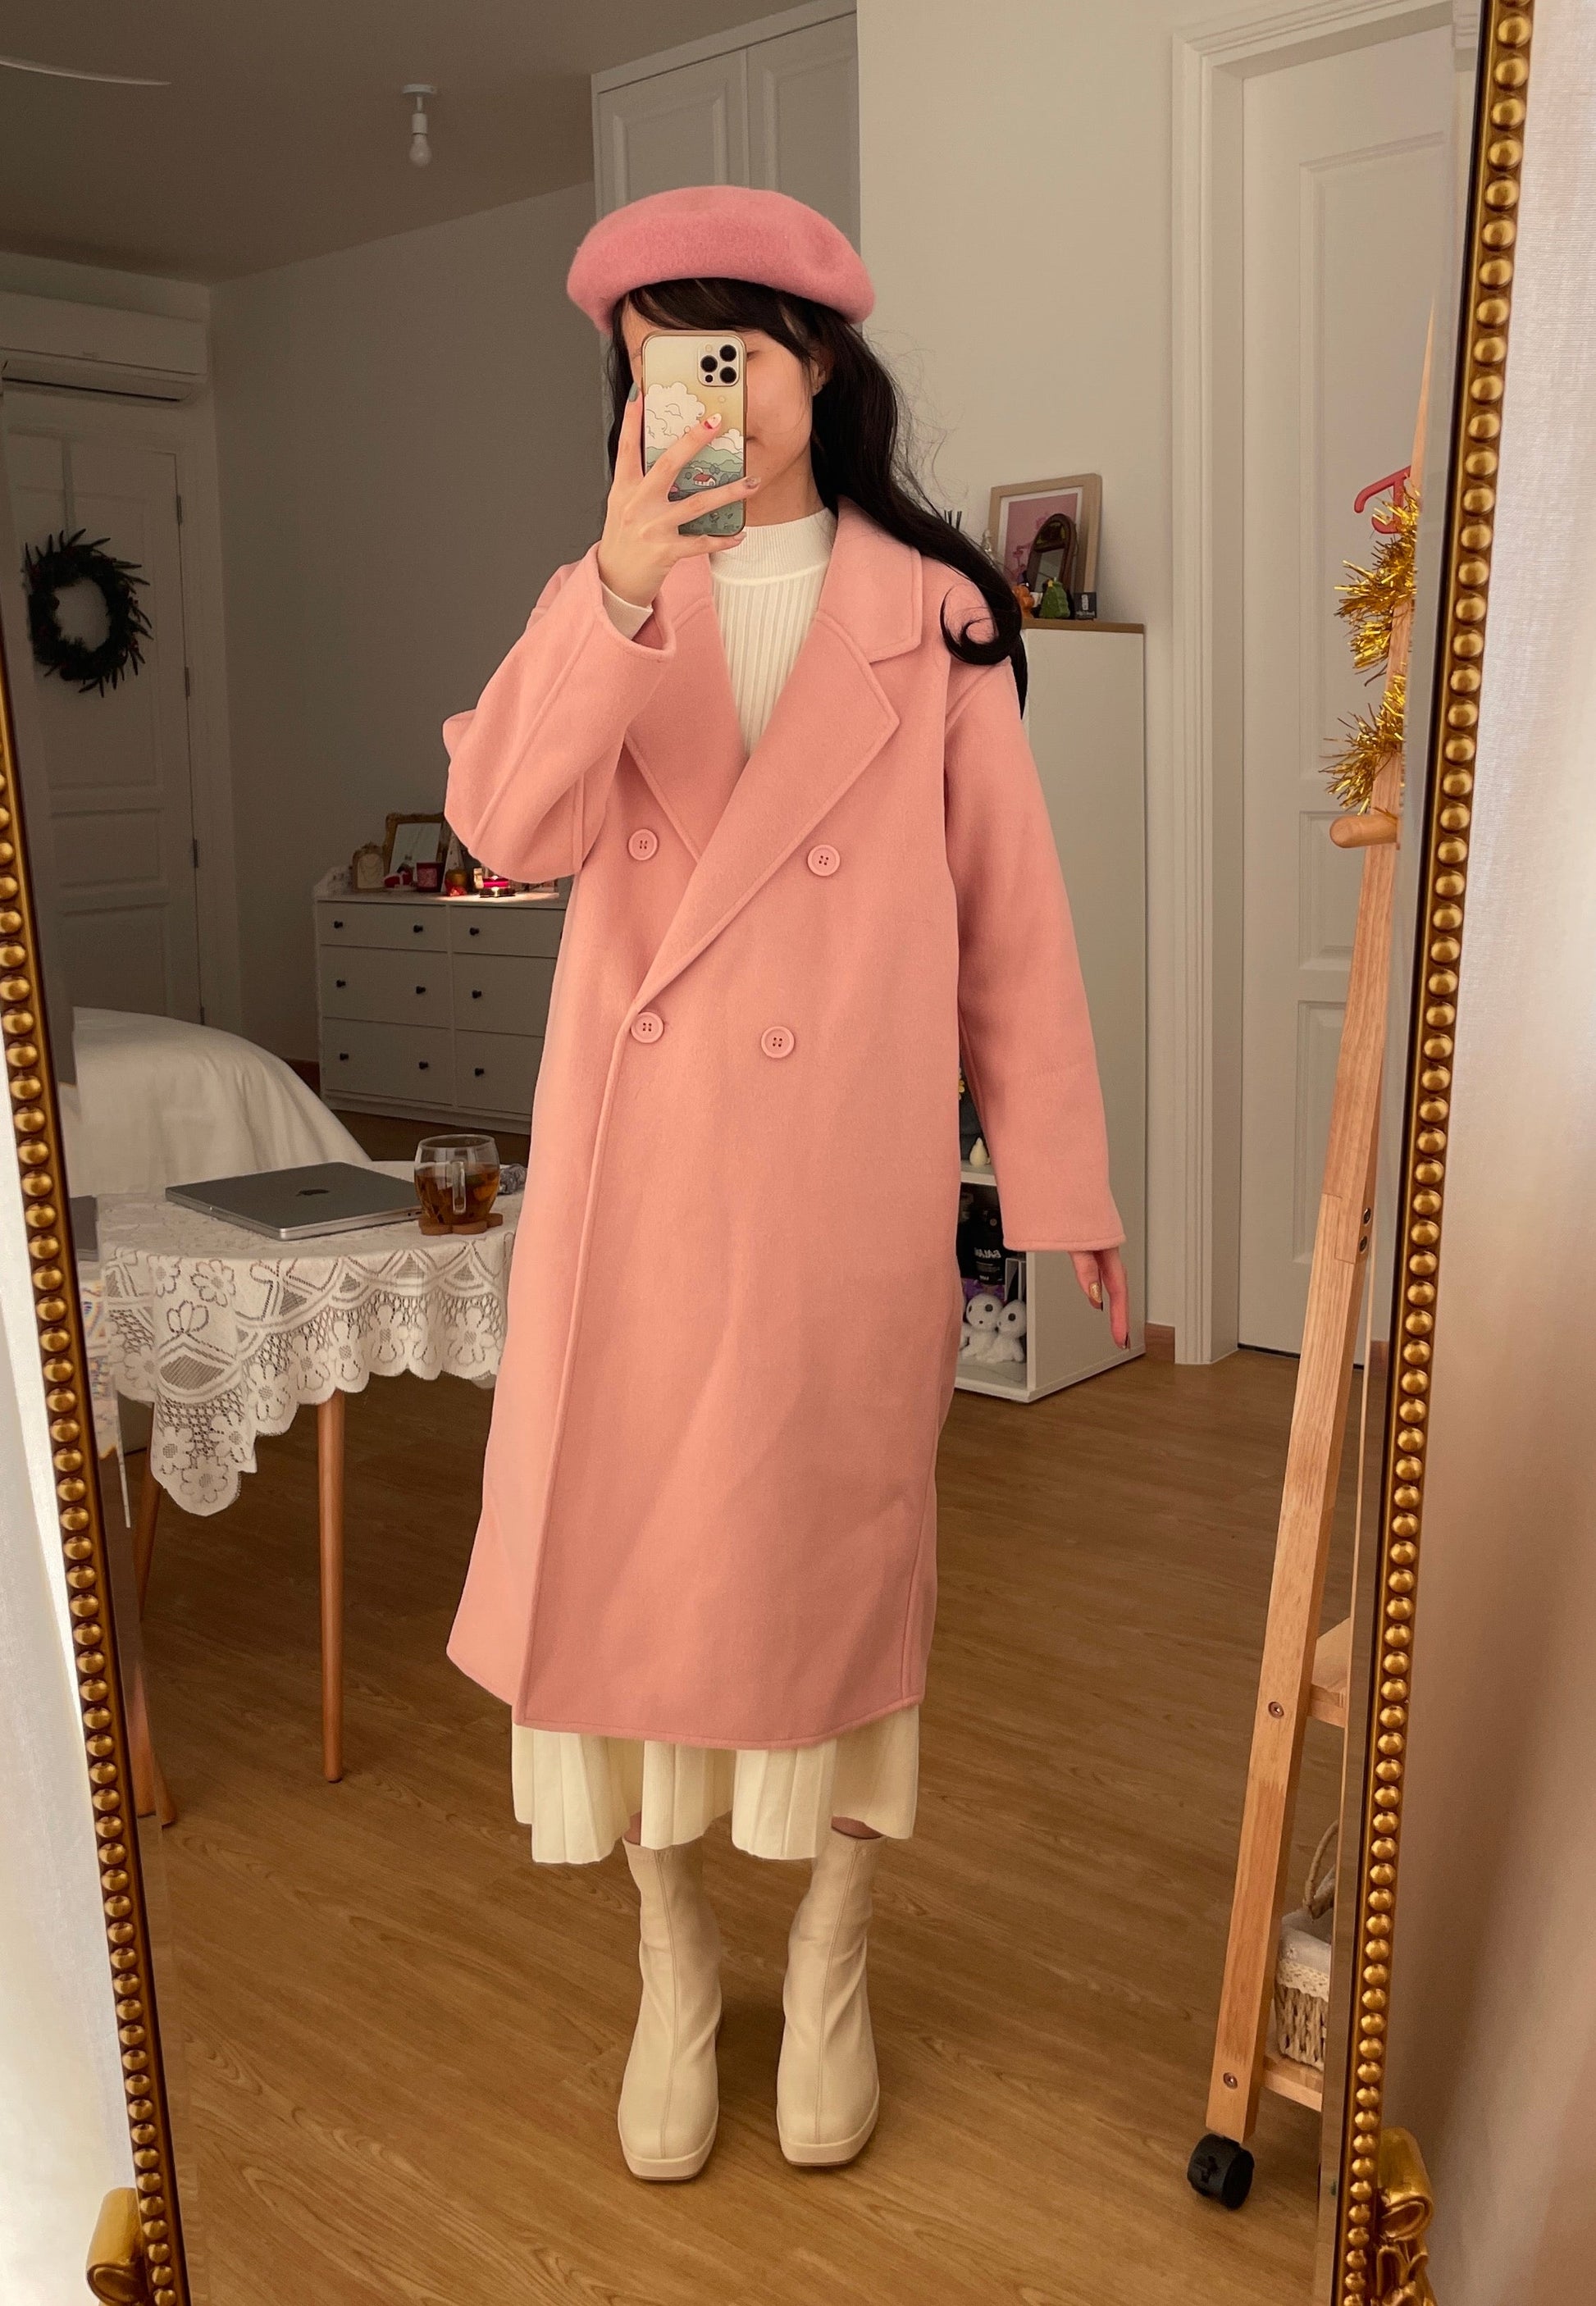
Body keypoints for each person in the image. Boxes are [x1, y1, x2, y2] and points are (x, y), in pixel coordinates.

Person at [442, 184, 1129, 2183]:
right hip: (633, 1197)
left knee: (832, 1566)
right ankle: (671, 1954)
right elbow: (502, 825)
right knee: (627, 1564)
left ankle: (830, 1943)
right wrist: (611, 589)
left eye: (729, 352)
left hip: (835, 1182)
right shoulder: (602, 597)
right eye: (660, 360)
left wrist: (1062, 1178)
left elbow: (1010, 925)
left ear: (815, 362)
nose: (702, 393)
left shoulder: (936, 618)